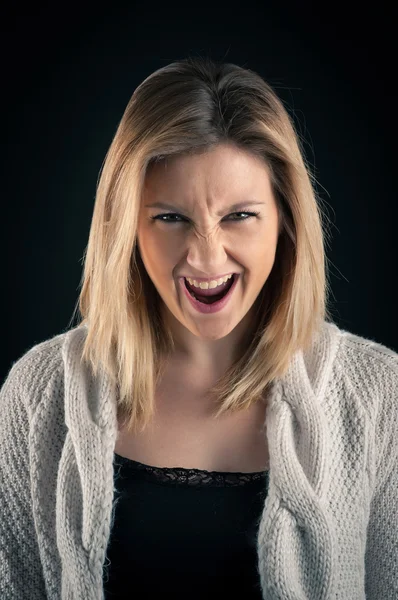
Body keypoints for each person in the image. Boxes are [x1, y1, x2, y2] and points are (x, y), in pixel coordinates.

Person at [0, 56, 397, 600]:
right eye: (170, 217)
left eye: (239, 216)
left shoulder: (379, 394)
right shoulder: (36, 392)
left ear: (286, 222)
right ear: (125, 229)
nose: (206, 258)